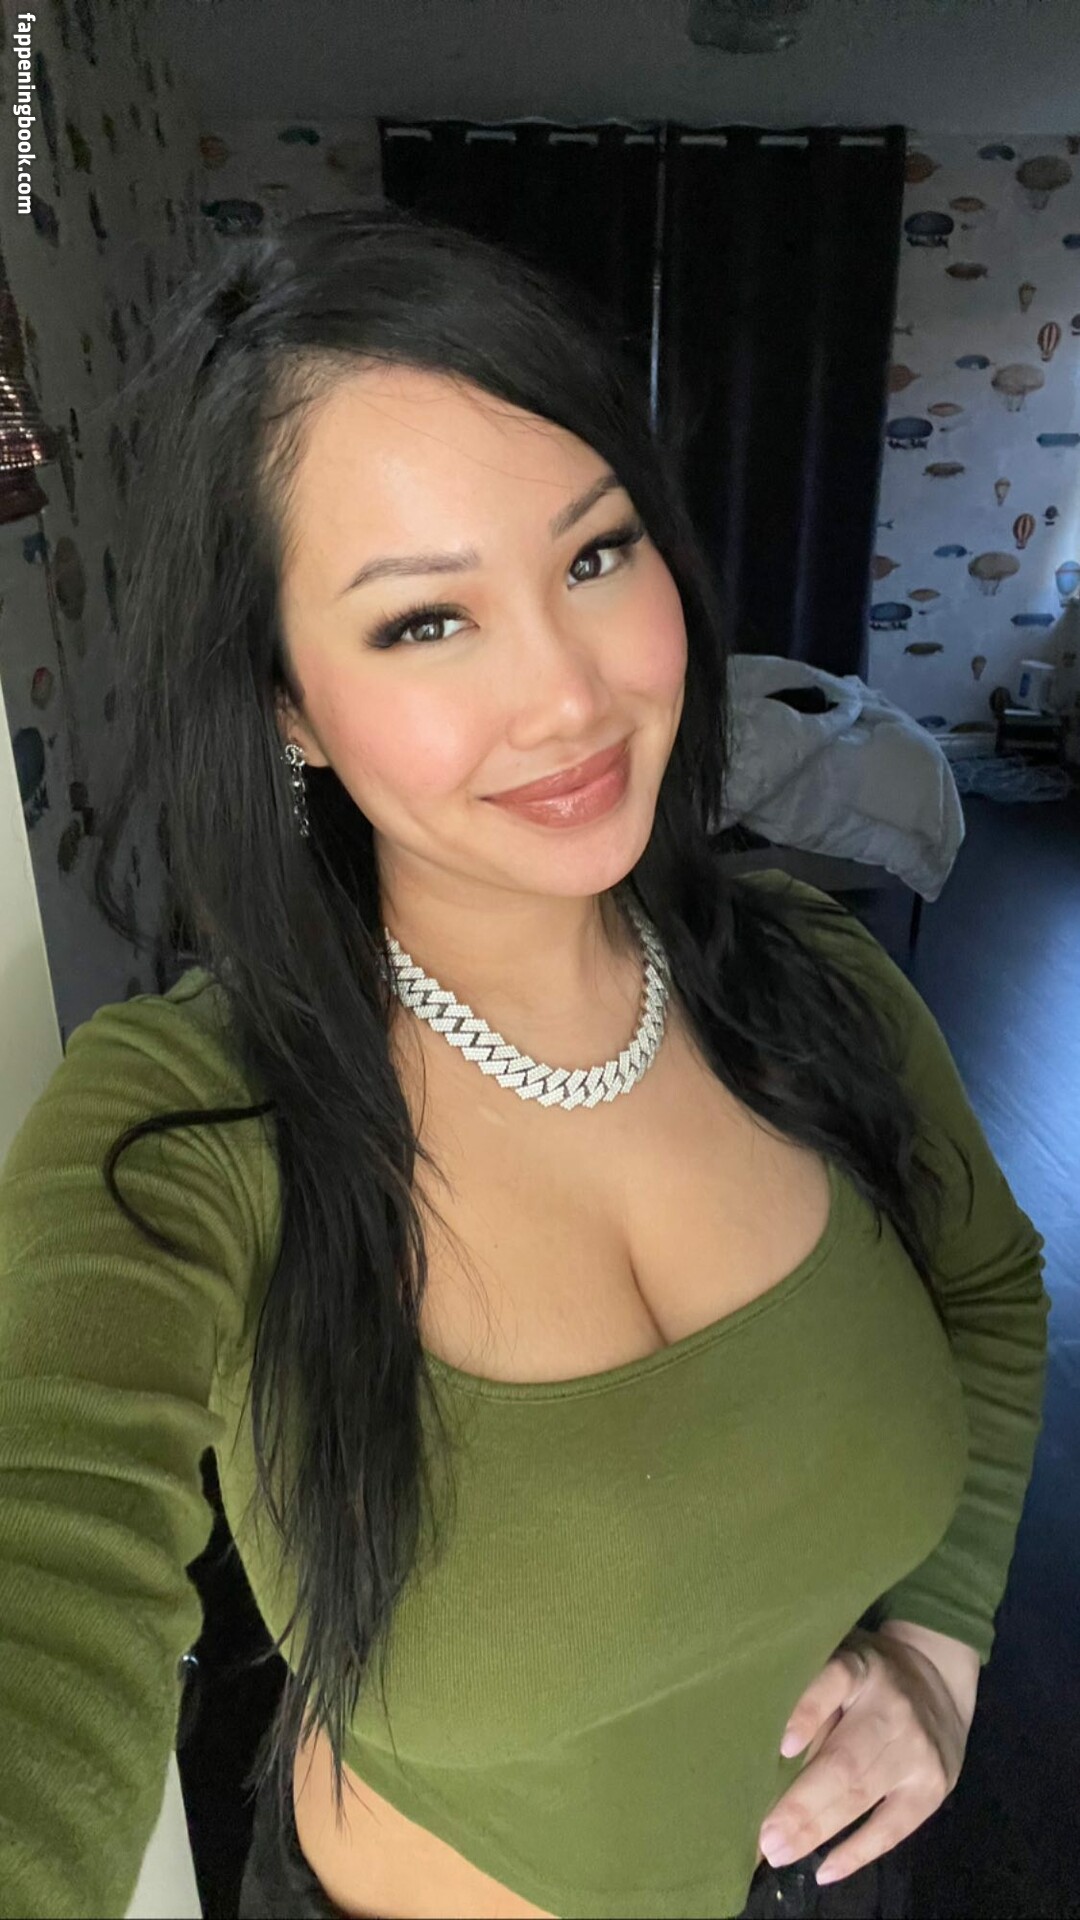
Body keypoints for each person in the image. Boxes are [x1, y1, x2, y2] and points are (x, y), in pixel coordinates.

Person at [0, 201, 1049, 1920]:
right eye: (425, 622)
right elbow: (41, 1545)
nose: (568, 695)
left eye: (595, 555)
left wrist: (940, 1641)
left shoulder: (816, 977)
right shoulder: (189, 1119)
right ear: (284, 702)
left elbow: (991, 1289)